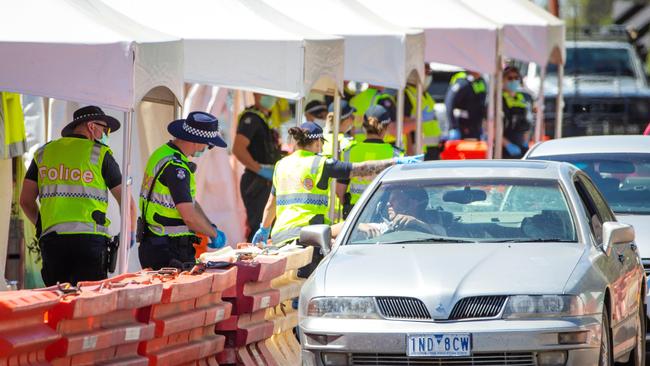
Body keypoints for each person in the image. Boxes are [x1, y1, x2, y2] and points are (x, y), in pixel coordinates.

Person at [251, 121, 422, 276]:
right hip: (307, 235)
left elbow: (270, 205)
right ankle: (382, 228)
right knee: (355, 227)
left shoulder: (282, 165)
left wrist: (264, 229)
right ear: (318, 142)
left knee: (346, 228)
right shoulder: (320, 163)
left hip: (281, 235)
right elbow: (359, 169)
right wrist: (395, 163)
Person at [19, 106, 136, 285]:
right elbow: (126, 201)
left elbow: (26, 200)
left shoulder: (44, 153)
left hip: (53, 242)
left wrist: (44, 226)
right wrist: (130, 233)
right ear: (91, 126)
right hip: (90, 243)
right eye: (105, 129)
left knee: (57, 301)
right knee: (89, 304)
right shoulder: (99, 154)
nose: (106, 135)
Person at [138, 112, 227, 270]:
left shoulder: (163, 154)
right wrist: (213, 234)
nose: (207, 148)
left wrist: (209, 226)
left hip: (155, 243)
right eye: (208, 144)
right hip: (168, 250)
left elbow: (189, 202)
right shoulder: (176, 167)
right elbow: (189, 217)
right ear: (198, 141)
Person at [232, 93, 283, 241]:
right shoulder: (252, 118)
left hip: (265, 180)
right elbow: (238, 149)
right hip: (257, 181)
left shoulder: (264, 118)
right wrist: (260, 169)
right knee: (259, 227)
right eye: (265, 93)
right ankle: (253, 263)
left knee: (267, 226)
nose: (271, 97)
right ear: (256, 94)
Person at [342, 105, 402, 218]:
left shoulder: (349, 152)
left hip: (354, 212)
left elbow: (339, 191)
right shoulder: (397, 154)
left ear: (363, 126)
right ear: (386, 127)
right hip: (383, 213)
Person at [357, 186, 446, 239]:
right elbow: (343, 227)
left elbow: (443, 237)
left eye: (394, 199)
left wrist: (416, 223)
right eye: (389, 200)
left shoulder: (435, 228)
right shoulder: (383, 227)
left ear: (413, 203)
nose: (388, 204)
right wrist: (359, 226)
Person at [404, 64, 442, 160]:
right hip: (417, 149)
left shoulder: (424, 94)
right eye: (426, 71)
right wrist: (409, 150)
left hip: (432, 148)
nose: (428, 75)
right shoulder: (406, 94)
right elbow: (404, 125)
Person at [444, 70, 487, 140]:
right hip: (462, 127)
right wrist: (453, 126)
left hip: (476, 127)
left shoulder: (480, 81)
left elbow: (481, 104)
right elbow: (449, 103)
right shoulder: (462, 82)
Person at [501, 66, 533, 159]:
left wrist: (525, 142)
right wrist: (508, 145)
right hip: (504, 148)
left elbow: (528, 121)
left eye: (516, 78)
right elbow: (491, 127)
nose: (513, 81)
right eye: (510, 78)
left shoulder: (525, 98)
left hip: (521, 146)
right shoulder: (498, 99)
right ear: (503, 80)